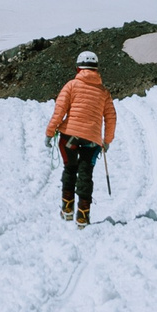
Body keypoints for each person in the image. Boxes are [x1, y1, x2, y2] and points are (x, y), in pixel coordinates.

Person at [45, 50, 116, 228]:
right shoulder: (104, 92)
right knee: (86, 174)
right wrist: (107, 141)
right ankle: (83, 216)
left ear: (78, 68)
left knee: (70, 169)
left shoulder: (71, 85)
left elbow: (59, 111)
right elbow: (111, 118)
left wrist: (49, 133)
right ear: (96, 69)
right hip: (92, 141)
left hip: (69, 137)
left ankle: (67, 208)